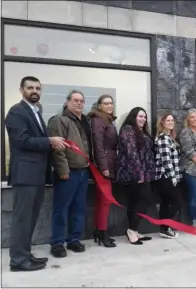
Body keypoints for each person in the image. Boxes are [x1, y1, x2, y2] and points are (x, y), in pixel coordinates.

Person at [5, 76, 67, 271]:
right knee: (22, 219)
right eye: (30, 87)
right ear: (21, 90)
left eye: (38, 88)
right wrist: (49, 141)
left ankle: (25, 254)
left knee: (30, 219)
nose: (34, 91)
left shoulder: (36, 111)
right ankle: (17, 260)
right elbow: (21, 141)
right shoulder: (17, 111)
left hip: (37, 174)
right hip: (25, 174)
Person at [48, 90, 92, 257]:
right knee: (61, 208)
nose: (79, 103)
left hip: (83, 171)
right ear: (67, 102)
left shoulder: (84, 121)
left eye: (81, 101)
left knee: (78, 208)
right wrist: (63, 170)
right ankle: (57, 243)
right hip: (68, 172)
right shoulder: (59, 120)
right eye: (75, 100)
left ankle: (74, 239)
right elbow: (57, 149)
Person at [115, 107, 156, 245]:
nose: (143, 119)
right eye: (140, 116)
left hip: (144, 172)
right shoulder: (128, 129)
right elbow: (131, 151)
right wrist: (139, 173)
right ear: (133, 117)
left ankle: (134, 229)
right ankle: (131, 230)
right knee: (142, 200)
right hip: (133, 173)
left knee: (137, 201)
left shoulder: (142, 132)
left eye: (144, 117)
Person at [88, 94, 117, 247]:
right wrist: (103, 166)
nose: (109, 106)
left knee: (102, 200)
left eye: (111, 103)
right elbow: (98, 145)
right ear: (99, 106)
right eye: (106, 103)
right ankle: (102, 231)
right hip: (103, 165)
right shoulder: (98, 120)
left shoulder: (107, 120)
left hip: (109, 163)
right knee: (105, 200)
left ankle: (100, 230)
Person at [154, 113, 183, 238]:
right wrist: (174, 178)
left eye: (172, 120)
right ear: (162, 122)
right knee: (175, 202)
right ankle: (165, 227)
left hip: (168, 176)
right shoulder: (163, 139)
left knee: (166, 203)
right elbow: (166, 161)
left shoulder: (170, 137)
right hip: (165, 177)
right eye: (168, 120)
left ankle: (164, 229)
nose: (171, 122)